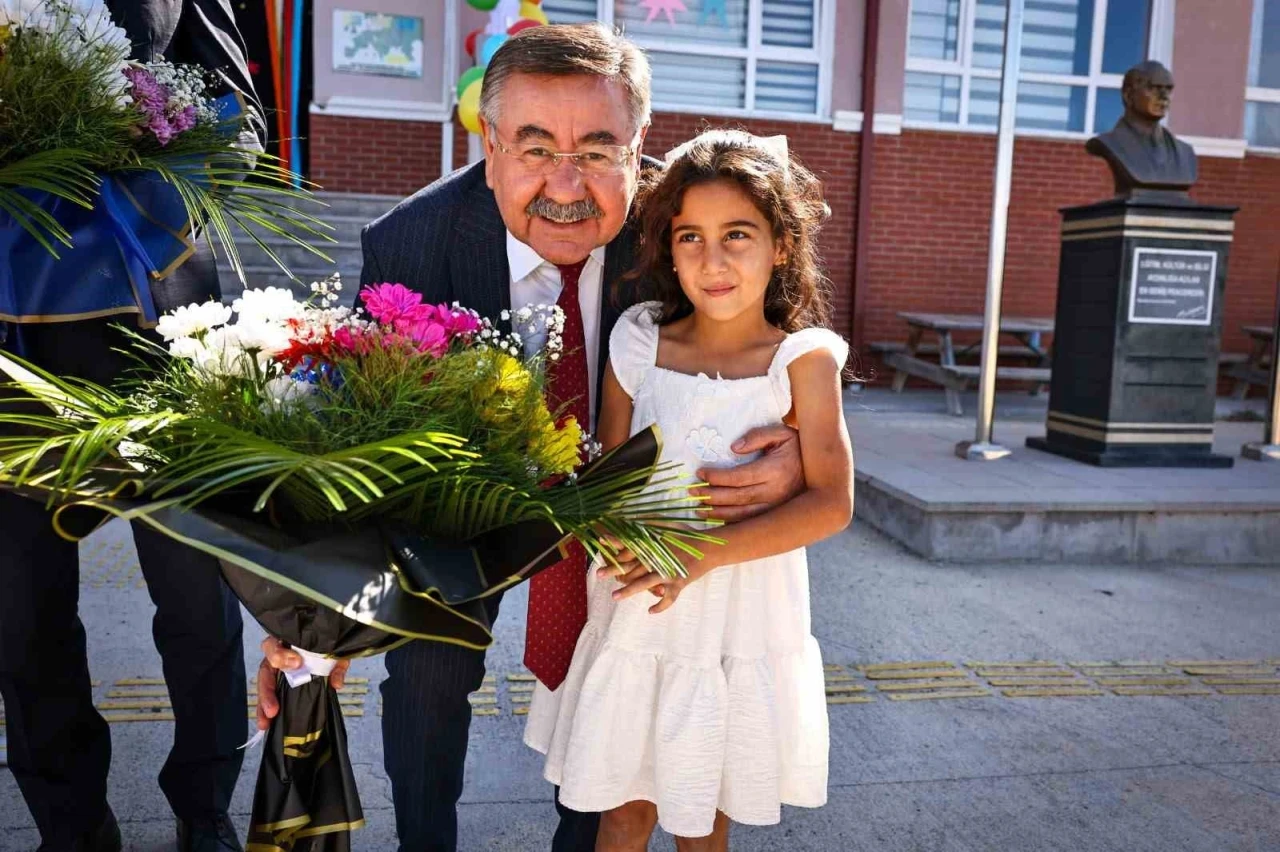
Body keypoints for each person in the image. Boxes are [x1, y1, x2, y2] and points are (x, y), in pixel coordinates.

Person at [254, 24, 809, 852]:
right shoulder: (412, 244)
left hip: (619, 495)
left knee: (614, 666)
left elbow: (785, 332)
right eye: (536, 147)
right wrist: (312, 617)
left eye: (597, 150)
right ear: (489, 146)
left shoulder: (686, 227)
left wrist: (796, 435)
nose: (565, 184)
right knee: (430, 666)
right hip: (463, 494)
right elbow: (360, 444)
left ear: (639, 148)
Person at [524, 129, 855, 851]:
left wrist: (699, 555)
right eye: (690, 238)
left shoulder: (802, 362)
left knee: (703, 816)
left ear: (781, 245)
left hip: (737, 620)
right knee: (622, 811)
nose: (713, 260)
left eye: (737, 235)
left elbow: (832, 502)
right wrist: (605, 528)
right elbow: (606, 474)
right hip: (639, 610)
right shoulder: (640, 341)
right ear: (669, 251)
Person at [0, 1, 262, 851]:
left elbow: (240, 119)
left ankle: (204, 806)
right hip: (9, 350)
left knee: (197, 596)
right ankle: (71, 824)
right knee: (21, 611)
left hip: (160, 324)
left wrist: (152, 176)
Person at [1085, 60, 1197, 196]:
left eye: (1168, 89)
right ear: (1128, 95)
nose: (1163, 97)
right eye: (1153, 88)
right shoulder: (1110, 144)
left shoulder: (1184, 153)